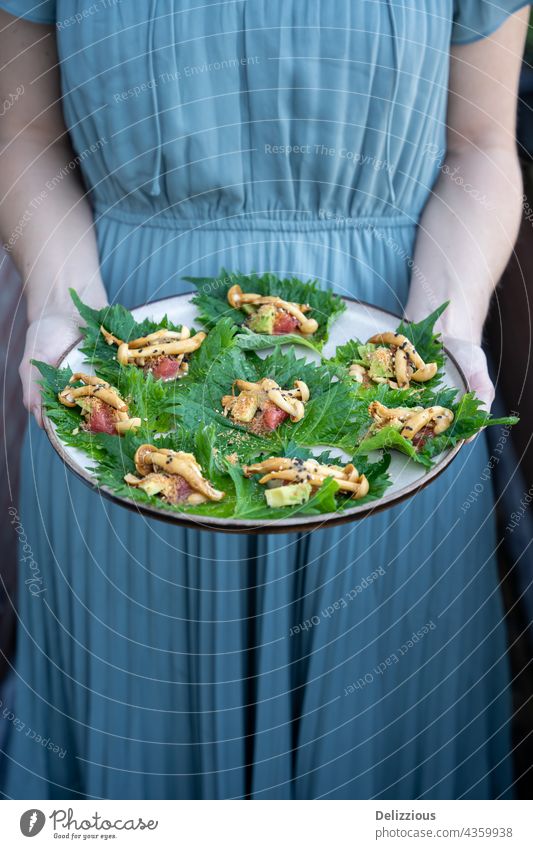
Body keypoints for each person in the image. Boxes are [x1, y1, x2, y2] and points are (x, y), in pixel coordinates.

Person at [0, 0, 528, 799]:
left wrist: (442, 329)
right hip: (124, 392)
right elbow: (25, 135)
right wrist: (60, 308)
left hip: (386, 414)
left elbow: (482, 143)